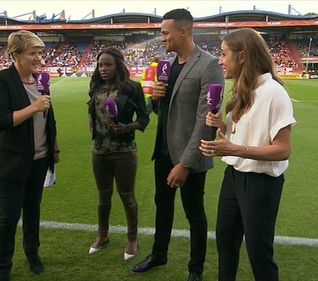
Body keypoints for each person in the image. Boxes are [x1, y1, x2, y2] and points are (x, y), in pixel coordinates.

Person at [132, 9, 224, 281]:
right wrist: (157, 99)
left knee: (194, 213)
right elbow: (166, 112)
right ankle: (159, 255)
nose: (161, 38)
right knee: (163, 206)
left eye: (164, 32)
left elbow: (204, 119)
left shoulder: (209, 65)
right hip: (163, 152)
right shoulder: (167, 66)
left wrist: (185, 163)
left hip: (190, 156)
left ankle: (195, 270)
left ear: (183, 32)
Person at [199, 28, 296, 281]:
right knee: (226, 241)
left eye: (223, 54)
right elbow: (241, 135)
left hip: (261, 184)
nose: (219, 60)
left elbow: (283, 149)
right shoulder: (244, 90)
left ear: (242, 56)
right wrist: (222, 125)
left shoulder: (273, 93)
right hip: (234, 177)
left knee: (258, 252)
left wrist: (233, 149)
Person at [0, 30, 60, 281]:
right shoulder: (1, 80)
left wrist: (54, 146)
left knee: (33, 210)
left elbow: (48, 116)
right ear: (16, 54)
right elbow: (1, 120)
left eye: (40, 52)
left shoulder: (41, 80)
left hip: (39, 159)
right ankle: (2, 267)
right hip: (12, 162)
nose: (39, 58)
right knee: (8, 216)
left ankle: (33, 255)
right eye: (33, 53)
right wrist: (33, 107)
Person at [87, 47, 149, 261]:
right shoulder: (95, 86)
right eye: (100, 65)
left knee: (127, 196)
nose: (103, 69)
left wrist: (128, 128)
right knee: (103, 197)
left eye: (108, 64)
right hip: (99, 151)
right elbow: (92, 113)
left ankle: (132, 239)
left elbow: (144, 118)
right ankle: (102, 235)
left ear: (118, 66)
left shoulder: (132, 88)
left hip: (124, 152)